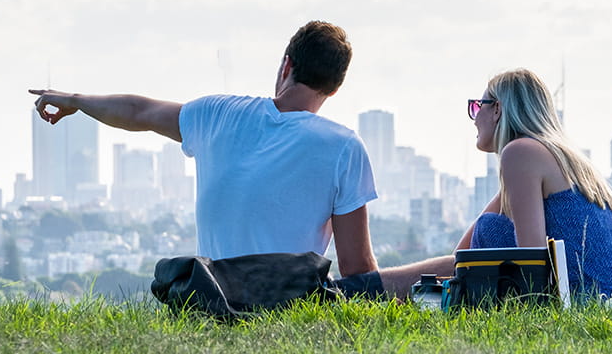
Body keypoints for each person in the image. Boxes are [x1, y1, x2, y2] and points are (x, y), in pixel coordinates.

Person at [30, 20, 382, 295]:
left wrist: (75, 100)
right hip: (287, 300)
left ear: (286, 65)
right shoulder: (344, 146)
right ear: (335, 88)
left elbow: (138, 111)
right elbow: (357, 269)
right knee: (433, 268)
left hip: (213, 294)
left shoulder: (217, 113)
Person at [457, 68, 612, 297]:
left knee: (488, 228)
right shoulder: (562, 157)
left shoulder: (519, 151)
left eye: (477, 106)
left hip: (589, 296)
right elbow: (461, 256)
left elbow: (532, 259)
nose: (474, 119)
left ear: (497, 109)